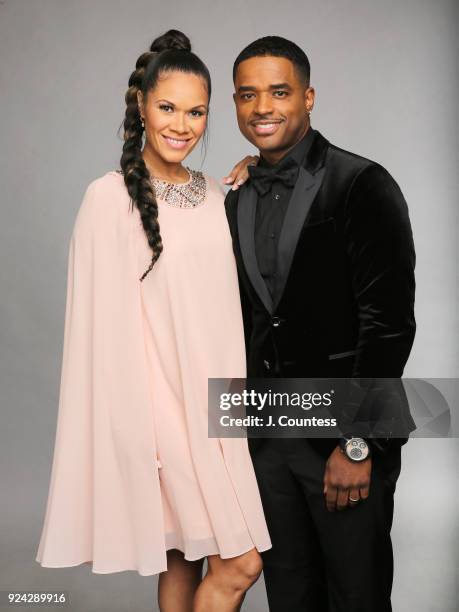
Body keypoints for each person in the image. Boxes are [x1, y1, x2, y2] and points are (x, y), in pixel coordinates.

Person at [35, 30, 272, 612]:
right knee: (239, 563)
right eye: (167, 107)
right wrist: (138, 436)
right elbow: (98, 337)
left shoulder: (217, 197)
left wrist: (239, 179)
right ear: (140, 103)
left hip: (219, 413)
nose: (182, 125)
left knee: (185, 558)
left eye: (197, 112)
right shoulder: (107, 199)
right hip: (163, 422)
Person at [224, 36, 416, 611]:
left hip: (344, 436)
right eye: (248, 95)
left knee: (355, 595)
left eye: (279, 92)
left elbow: (388, 327)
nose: (263, 108)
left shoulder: (362, 183)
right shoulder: (232, 199)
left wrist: (355, 443)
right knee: (290, 594)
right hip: (267, 436)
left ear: (308, 97)